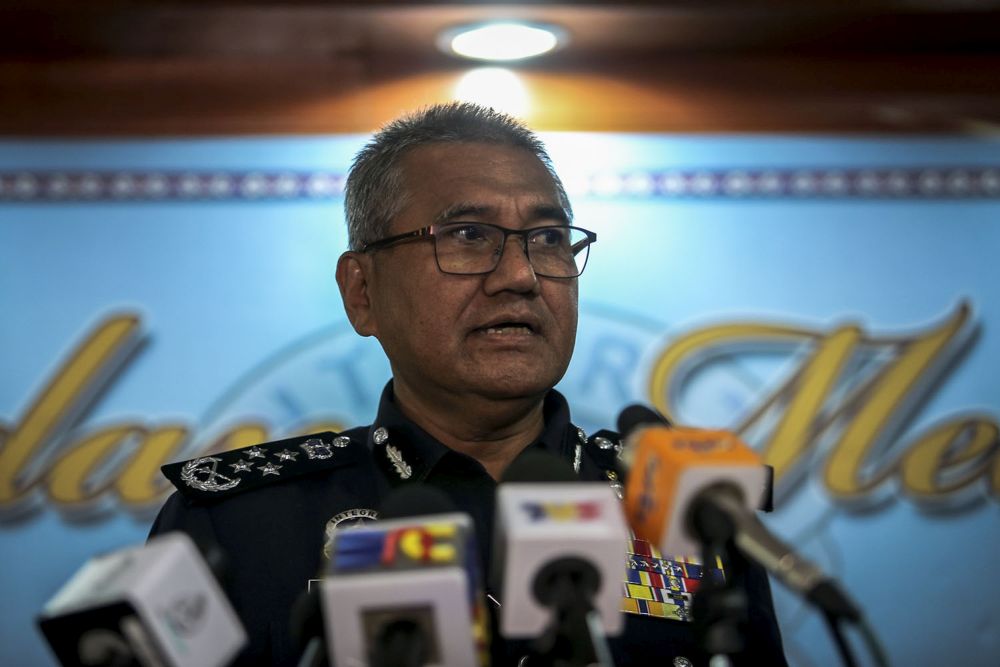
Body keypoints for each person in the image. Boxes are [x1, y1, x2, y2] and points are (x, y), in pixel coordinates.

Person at [149, 102, 786, 666]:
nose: (521, 275)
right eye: (468, 236)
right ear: (362, 293)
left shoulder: (688, 509)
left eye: (548, 238)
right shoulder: (240, 521)